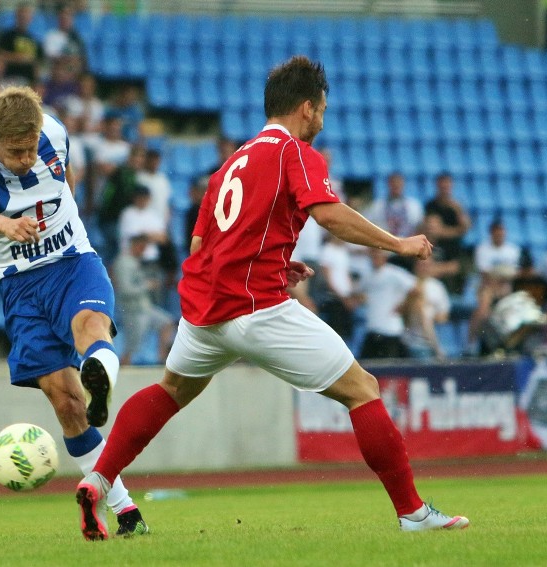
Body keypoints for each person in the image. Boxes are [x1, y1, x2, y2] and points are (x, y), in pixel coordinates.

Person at [75, 56, 468, 540]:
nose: (322, 121)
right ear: (306, 108)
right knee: (362, 389)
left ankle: (98, 480)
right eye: (321, 110)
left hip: (204, 311)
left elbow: (204, 245)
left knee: (173, 390)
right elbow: (329, 215)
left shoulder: (229, 166)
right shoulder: (294, 153)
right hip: (255, 307)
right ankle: (412, 513)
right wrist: (400, 243)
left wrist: (278, 265)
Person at [0, 86, 149, 536]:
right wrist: (5, 224)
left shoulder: (53, 131)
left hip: (74, 262)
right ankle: (127, 513)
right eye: (14, 151)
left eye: (29, 147)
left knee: (90, 327)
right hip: (20, 287)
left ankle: (101, 381)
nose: (24, 159)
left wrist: (69, 220)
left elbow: (67, 179)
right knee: (66, 402)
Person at [112, 234, 175, 365]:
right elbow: (125, 289)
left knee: (166, 322)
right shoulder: (123, 263)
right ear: (136, 246)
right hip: (133, 310)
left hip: (144, 307)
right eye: (142, 247)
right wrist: (147, 285)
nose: (144, 250)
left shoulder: (135, 261)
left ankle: (162, 359)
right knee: (132, 346)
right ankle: (123, 370)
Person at [467, 218, 522, 351]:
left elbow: (516, 274)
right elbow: (485, 275)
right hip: (488, 287)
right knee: (482, 310)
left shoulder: (512, 250)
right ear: (491, 234)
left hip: (505, 287)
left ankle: (512, 345)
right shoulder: (483, 250)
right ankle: (471, 343)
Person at [358, 248, 416, 360]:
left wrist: (403, 306)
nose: (375, 258)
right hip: (372, 328)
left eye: (378, 255)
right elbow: (359, 293)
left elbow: (415, 289)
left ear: (384, 257)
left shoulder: (394, 273)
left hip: (390, 329)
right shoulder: (367, 275)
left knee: (388, 369)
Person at [423, 172, 471, 294]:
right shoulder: (431, 205)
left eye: (447, 185)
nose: (444, 188)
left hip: (449, 249)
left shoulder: (456, 207)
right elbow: (430, 226)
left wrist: (444, 231)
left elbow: (464, 228)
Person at [402, 256, 451, 360]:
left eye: (427, 265)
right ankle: (437, 349)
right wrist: (412, 299)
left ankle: (435, 346)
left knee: (426, 311)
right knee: (421, 306)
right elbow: (400, 313)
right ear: (415, 266)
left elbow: (444, 316)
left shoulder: (437, 286)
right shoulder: (407, 282)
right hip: (412, 340)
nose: (424, 268)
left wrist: (429, 313)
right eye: (421, 265)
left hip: (431, 331)